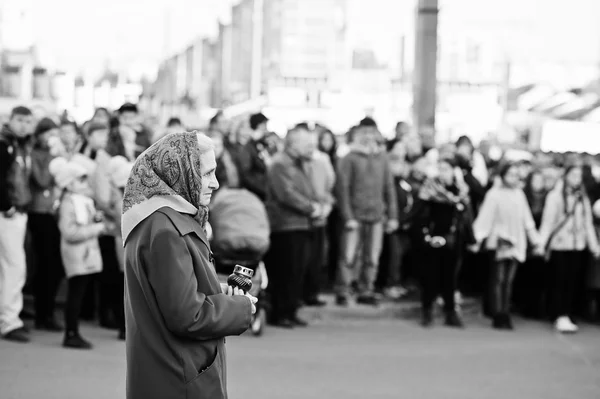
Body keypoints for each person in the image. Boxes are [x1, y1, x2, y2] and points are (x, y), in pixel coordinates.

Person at [122, 132, 256, 399]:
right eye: (205, 173)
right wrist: (240, 307)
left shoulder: (159, 219)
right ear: (179, 171)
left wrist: (215, 290)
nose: (215, 183)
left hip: (170, 371)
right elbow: (187, 315)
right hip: (178, 376)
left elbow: (170, 294)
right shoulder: (166, 229)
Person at [264, 125, 323, 327]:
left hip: (299, 224)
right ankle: (280, 313)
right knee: (285, 271)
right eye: (307, 144)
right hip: (285, 225)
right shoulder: (280, 164)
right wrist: (310, 208)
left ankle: (290, 310)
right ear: (293, 144)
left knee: (297, 271)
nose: (311, 148)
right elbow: (286, 194)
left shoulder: (300, 163)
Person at [335, 125, 398, 306]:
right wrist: (347, 216)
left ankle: (366, 289)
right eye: (366, 136)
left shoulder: (382, 158)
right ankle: (343, 289)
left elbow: (389, 187)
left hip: (376, 214)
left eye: (373, 136)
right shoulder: (349, 158)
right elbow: (343, 189)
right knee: (348, 256)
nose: (370, 140)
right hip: (355, 214)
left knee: (372, 256)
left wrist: (392, 215)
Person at [472, 163, 540, 330]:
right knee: (498, 279)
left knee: (508, 281)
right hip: (500, 241)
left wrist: (536, 241)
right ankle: (498, 314)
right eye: (510, 174)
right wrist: (477, 239)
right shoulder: (494, 195)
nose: (513, 178)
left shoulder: (519, 195)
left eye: (516, 174)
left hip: (516, 241)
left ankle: (505, 311)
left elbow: (527, 220)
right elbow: (484, 219)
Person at [50, 156, 107, 349]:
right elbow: (70, 232)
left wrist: (95, 219)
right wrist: (96, 229)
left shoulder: (81, 201)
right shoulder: (68, 203)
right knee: (75, 295)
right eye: (80, 180)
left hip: (85, 254)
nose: (85, 183)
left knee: (79, 294)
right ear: (69, 183)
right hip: (77, 255)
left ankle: (73, 331)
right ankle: (71, 333)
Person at [411, 155, 473, 328]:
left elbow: (466, 217)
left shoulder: (461, 190)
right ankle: (427, 310)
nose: (442, 173)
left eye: (446, 169)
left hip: (454, 239)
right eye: (440, 169)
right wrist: (425, 236)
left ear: (454, 171)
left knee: (450, 277)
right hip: (433, 237)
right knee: (431, 275)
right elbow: (419, 214)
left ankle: (450, 311)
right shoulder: (429, 188)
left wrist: (470, 237)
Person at [538, 163, 600, 333]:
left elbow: (588, 224)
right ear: (565, 176)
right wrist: (541, 244)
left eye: (579, 176)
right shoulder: (555, 196)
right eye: (573, 175)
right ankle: (558, 314)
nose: (576, 179)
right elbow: (548, 222)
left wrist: (594, 246)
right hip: (559, 245)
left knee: (572, 282)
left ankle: (566, 313)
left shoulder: (582, 197)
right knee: (559, 280)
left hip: (577, 245)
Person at [0, 106, 35, 343]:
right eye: (19, 120)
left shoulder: (22, 145)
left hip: (17, 212)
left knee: (11, 267)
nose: (23, 125)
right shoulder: (5, 144)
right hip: (8, 213)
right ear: (10, 120)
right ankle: (9, 321)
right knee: (15, 267)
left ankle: (9, 318)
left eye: (27, 121)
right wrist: (6, 205)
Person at [28, 118, 65, 332]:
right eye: (48, 133)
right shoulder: (36, 154)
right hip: (39, 212)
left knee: (54, 266)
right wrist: (54, 156)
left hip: (53, 212)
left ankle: (47, 311)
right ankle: (44, 314)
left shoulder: (55, 153)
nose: (52, 138)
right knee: (46, 265)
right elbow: (42, 180)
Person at [237, 112, 271, 201]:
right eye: (264, 125)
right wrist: (263, 189)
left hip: (263, 190)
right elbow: (246, 174)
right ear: (259, 125)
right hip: (256, 193)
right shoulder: (248, 147)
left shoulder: (262, 144)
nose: (266, 128)